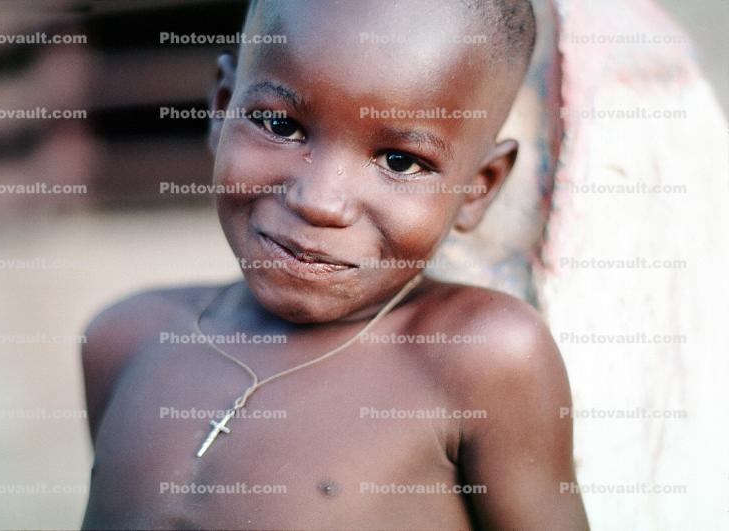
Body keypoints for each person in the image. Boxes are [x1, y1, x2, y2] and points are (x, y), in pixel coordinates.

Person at [81, 1, 588, 528]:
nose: (319, 201)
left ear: (476, 190)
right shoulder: (127, 340)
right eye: (280, 125)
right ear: (222, 107)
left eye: (400, 161)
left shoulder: (479, 358)